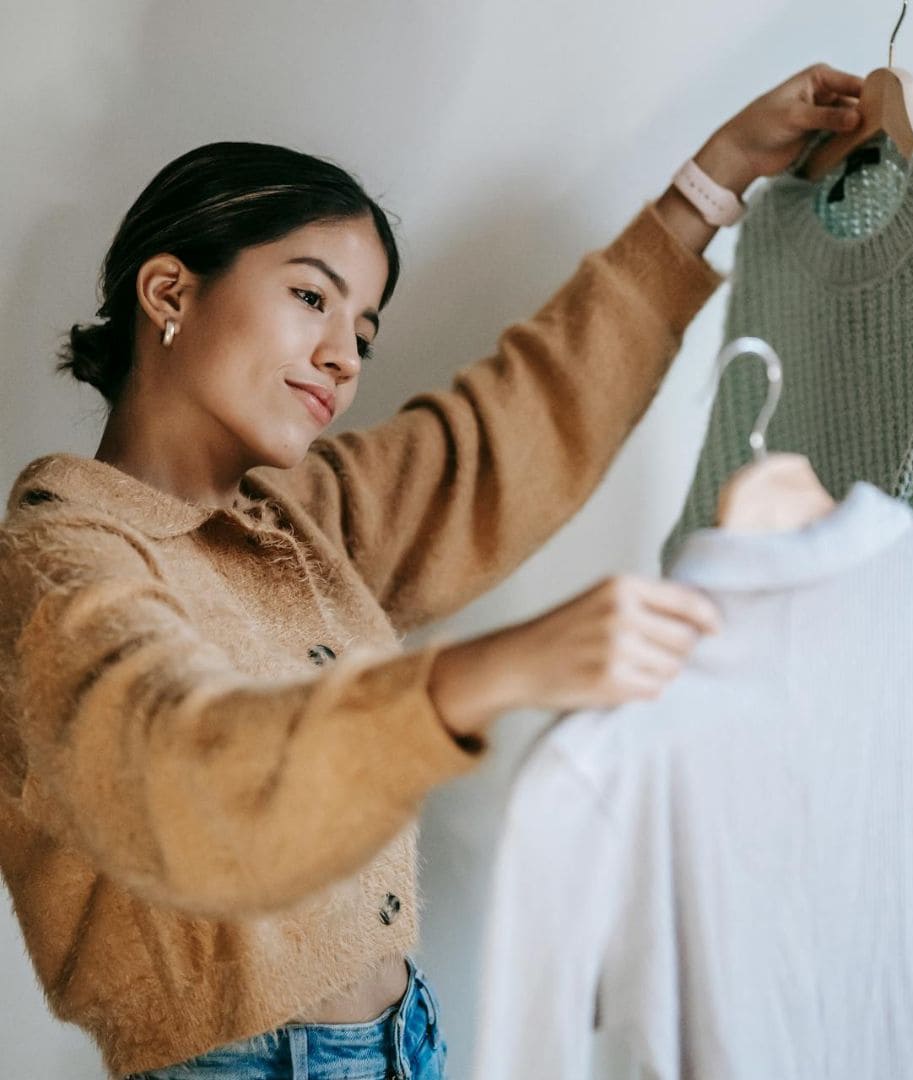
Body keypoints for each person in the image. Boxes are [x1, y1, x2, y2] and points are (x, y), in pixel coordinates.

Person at [0, 64, 862, 1080]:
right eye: (311, 297)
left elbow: (514, 430)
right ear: (169, 290)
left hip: (408, 1040)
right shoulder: (59, 562)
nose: (341, 356)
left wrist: (712, 184)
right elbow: (178, 777)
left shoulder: (301, 523)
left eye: (362, 331)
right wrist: (482, 675)